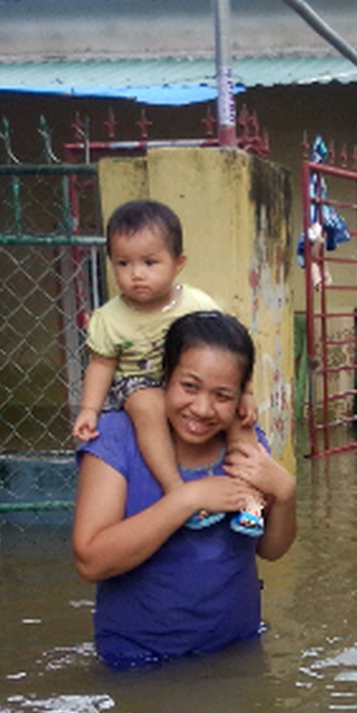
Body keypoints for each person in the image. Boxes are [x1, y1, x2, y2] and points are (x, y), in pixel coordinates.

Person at [72, 310, 297, 669]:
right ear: (165, 377)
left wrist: (285, 494)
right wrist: (188, 498)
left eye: (222, 395)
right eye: (189, 387)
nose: (202, 409)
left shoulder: (245, 445)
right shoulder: (116, 437)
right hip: (137, 662)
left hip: (237, 652)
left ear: (242, 396)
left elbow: (270, 550)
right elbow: (90, 561)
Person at [72, 199, 256, 531]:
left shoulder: (196, 304)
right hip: (137, 382)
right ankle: (177, 492)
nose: (136, 274)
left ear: (178, 263)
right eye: (123, 263)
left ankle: (252, 501)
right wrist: (88, 409)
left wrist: (245, 393)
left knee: (239, 420)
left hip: (191, 381)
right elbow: (101, 365)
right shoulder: (109, 319)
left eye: (149, 262)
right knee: (150, 407)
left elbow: (230, 350)